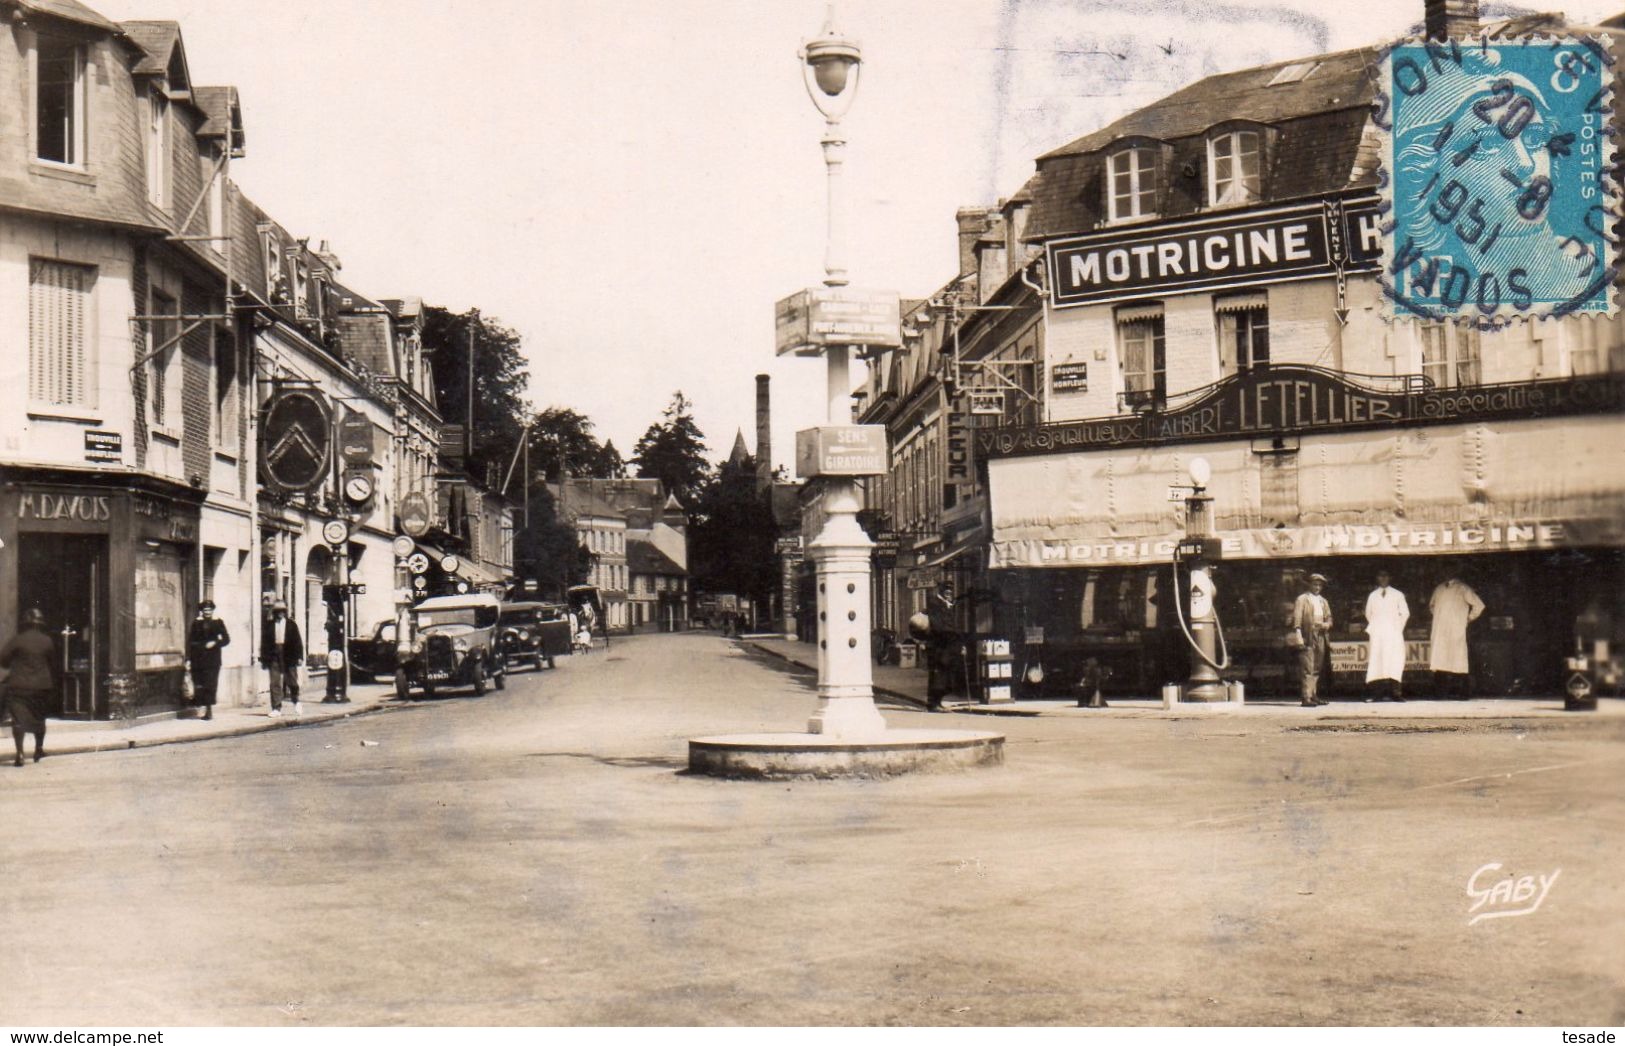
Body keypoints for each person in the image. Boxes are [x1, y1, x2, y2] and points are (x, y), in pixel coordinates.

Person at [2, 608, 56, 766]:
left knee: (18, 720)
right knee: (39, 718)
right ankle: (38, 749)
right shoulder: (47, 641)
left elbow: (3, 660)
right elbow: (53, 662)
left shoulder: (17, 640)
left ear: (25, 624)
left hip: (19, 686)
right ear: (40, 624)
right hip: (41, 686)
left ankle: (19, 753)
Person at [1429, 576, 1485, 699]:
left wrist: (1468, 618)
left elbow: (1479, 605)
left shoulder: (1463, 588)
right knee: (1440, 660)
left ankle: (1463, 693)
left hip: (1456, 629)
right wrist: (1440, 616)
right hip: (1441, 630)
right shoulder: (1439, 589)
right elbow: (1432, 605)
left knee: (1458, 660)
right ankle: (1440, 694)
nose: (1447, 574)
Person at [1363, 570, 1410, 702]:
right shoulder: (1372, 595)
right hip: (1378, 634)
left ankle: (1396, 693)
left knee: (1394, 661)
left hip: (1393, 634)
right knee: (1377, 661)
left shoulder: (1398, 594)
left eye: (1385, 576)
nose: (1383, 578)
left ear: (1390, 578)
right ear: (1377, 578)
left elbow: (1405, 613)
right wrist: (1377, 626)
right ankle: (1377, 694)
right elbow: (1368, 613)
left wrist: (1397, 628)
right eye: (1380, 576)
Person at [1291, 574, 1333, 707]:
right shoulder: (1302, 599)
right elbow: (1297, 618)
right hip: (1307, 634)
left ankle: (1313, 695)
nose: (1317, 587)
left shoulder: (1323, 601)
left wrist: (1326, 625)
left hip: (1321, 635)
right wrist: (1298, 634)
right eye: (1315, 584)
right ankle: (1306, 697)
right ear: (1309, 585)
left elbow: (1330, 618)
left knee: (1317, 667)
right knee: (1307, 667)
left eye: (1320, 585)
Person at [186, 600, 231, 721]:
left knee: (210, 684)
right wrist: (189, 659)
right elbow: (190, 641)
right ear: (202, 611)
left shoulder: (218, 622)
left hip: (213, 659)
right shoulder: (196, 623)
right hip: (198, 658)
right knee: (200, 683)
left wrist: (215, 643)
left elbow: (226, 639)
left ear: (212, 610)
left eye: (209, 610)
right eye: (205, 610)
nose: (207, 612)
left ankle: (209, 710)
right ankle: (201, 706)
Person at [260, 598, 304, 718]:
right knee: (275, 682)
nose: (280, 613)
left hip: (288, 654)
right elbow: (264, 643)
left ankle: (296, 701)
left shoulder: (291, 624)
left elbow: (297, 642)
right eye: (278, 610)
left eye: (282, 610)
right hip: (274, 654)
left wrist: (299, 657)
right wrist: (264, 659)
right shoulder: (269, 625)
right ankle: (276, 707)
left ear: (285, 611)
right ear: (274, 611)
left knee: (292, 681)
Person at [924, 581, 959, 713]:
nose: (949, 594)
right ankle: (933, 704)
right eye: (947, 592)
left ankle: (937, 701)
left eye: (950, 592)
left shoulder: (946, 604)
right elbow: (938, 626)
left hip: (945, 646)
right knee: (938, 675)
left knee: (943, 675)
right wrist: (953, 634)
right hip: (938, 646)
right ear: (941, 591)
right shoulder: (935, 604)